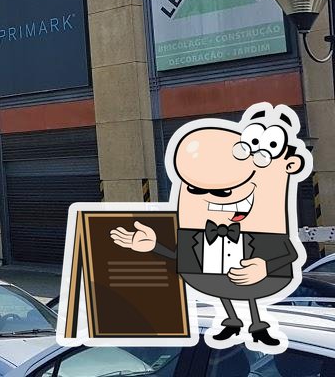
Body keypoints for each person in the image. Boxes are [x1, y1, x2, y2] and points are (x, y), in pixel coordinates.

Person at [111, 103, 311, 351]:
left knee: (243, 287)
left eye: (225, 191)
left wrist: (265, 267)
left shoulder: (266, 232)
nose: (216, 199)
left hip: (259, 282)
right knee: (222, 286)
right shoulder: (197, 235)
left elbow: (289, 253)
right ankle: (231, 320)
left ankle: (257, 326)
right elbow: (182, 259)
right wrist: (153, 246)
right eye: (195, 189)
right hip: (214, 283)